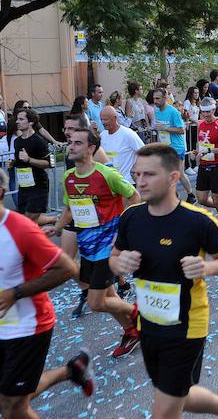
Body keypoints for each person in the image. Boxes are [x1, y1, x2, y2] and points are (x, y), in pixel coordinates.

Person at [110, 144, 218, 419]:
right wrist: (119, 263)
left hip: (187, 327)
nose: (139, 182)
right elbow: (113, 257)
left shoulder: (197, 221)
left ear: (173, 177)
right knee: (178, 394)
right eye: (136, 174)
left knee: (164, 410)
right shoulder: (131, 217)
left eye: (148, 174)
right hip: (148, 325)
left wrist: (206, 268)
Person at [0, 163, 94, 417]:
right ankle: (72, 370)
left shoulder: (21, 229)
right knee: (0, 404)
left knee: (13, 405)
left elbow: (68, 268)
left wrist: (15, 293)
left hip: (30, 325)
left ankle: (72, 370)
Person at [46, 128, 142, 358]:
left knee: (96, 302)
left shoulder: (107, 175)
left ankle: (139, 316)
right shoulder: (68, 178)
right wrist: (57, 227)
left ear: (91, 149)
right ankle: (131, 331)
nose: (71, 146)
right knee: (109, 297)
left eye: (78, 143)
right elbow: (70, 209)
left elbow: (134, 198)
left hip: (109, 248)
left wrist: (125, 231)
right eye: (70, 142)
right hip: (88, 248)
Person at [60, 113, 110, 320]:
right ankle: (86, 290)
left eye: (71, 129)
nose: (67, 133)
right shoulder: (69, 150)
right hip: (74, 213)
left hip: (95, 217)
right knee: (65, 260)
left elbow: (109, 181)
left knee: (99, 263)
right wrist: (56, 225)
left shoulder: (95, 152)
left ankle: (116, 289)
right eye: (65, 129)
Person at [193, 97, 218, 233]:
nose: (206, 115)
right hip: (204, 166)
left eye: (208, 112)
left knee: (216, 200)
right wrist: (196, 153)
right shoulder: (200, 124)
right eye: (203, 112)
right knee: (202, 199)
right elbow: (201, 144)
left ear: (214, 110)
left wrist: (211, 150)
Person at [151, 89, 197, 204]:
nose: (155, 101)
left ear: (165, 98)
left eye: (158, 98)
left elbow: (181, 130)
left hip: (176, 147)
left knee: (177, 173)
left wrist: (165, 128)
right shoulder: (156, 111)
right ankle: (179, 195)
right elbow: (159, 129)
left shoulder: (173, 112)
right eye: (154, 98)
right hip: (164, 147)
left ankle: (188, 195)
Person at [10, 108, 53, 226]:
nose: (17, 122)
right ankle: (54, 220)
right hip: (24, 186)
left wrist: (29, 159)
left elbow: (49, 163)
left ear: (31, 122)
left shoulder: (39, 141)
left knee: (29, 220)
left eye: (21, 119)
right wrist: (14, 163)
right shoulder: (17, 141)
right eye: (17, 119)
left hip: (38, 185)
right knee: (25, 218)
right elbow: (20, 160)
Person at [99, 106, 145, 184]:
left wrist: (137, 170)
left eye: (106, 119)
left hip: (128, 183)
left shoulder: (128, 134)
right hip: (110, 183)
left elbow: (144, 152)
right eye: (101, 120)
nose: (103, 122)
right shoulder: (102, 135)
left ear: (114, 118)